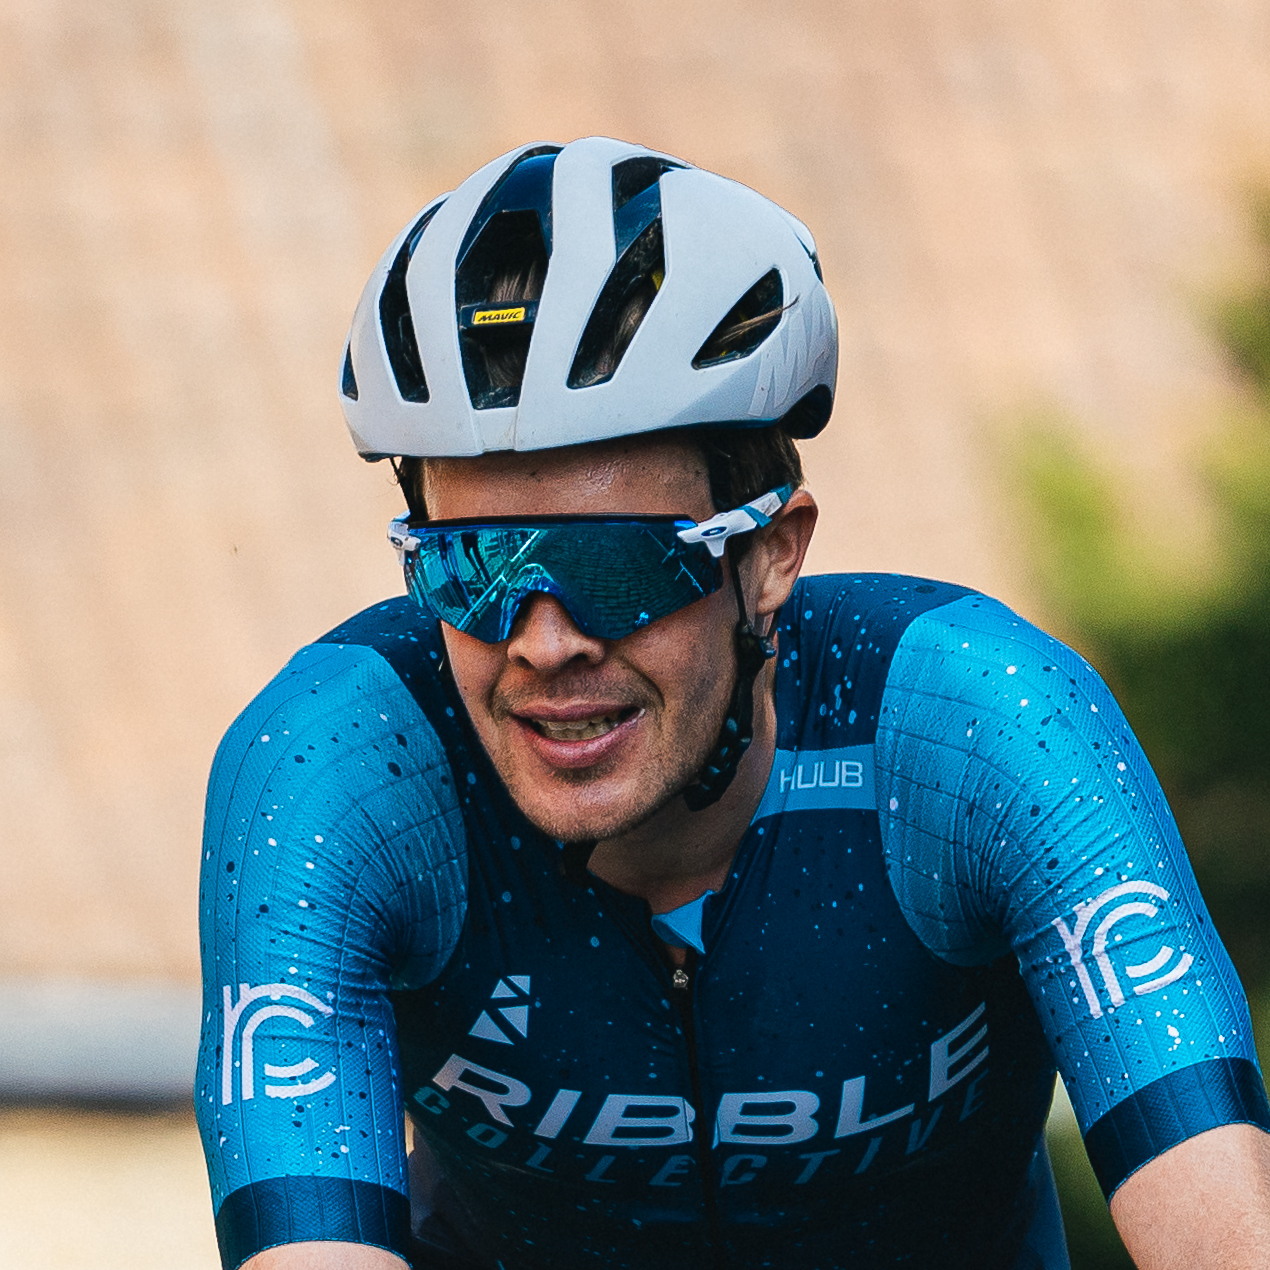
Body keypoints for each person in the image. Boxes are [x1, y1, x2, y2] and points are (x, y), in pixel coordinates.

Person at [196, 138, 1270, 1270]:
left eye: (616, 569)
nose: (544, 642)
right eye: (473, 570)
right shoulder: (343, 767)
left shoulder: (979, 726)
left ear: (768, 556)